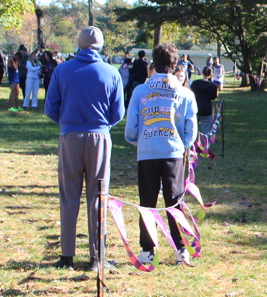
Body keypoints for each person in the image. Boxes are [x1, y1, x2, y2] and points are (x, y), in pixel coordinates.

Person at [44, 27, 124, 271]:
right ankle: (96, 257)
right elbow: (118, 112)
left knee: (69, 196)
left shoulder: (62, 70)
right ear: (101, 46)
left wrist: (68, 123)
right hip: (99, 137)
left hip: (70, 136)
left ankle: (67, 256)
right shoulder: (111, 72)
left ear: (78, 44)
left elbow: (50, 108)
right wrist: (101, 126)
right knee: (98, 195)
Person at [124, 43, 198, 267]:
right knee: (174, 201)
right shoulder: (185, 93)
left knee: (147, 201)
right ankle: (181, 249)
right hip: (174, 152)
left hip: (147, 152)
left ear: (153, 63)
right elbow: (191, 132)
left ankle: (147, 250)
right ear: (175, 64)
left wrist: (144, 141)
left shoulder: (140, 91)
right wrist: (180, 144)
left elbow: (130, 131)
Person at [190, 66, 219, 135]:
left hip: (195, 107)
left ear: (202, 73)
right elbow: (213, 97)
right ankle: (204, 141)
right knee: (205, 131)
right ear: (211, 74)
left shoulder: (195, 83)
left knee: (192, 130)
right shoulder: (212, 85)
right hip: (206, 109)